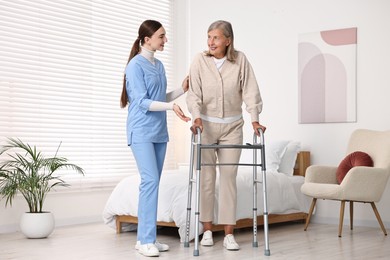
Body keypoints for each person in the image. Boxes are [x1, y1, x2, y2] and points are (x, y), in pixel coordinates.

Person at [186, 20, 266, 251]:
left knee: (229, 179)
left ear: (228, 40)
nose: (211, 42)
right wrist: (196, 117)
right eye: (209, 37)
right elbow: (194, 94)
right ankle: (208, 230)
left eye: (216, 37)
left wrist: (255, 120)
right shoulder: (199, 61)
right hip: (206, 127)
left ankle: (229, 233)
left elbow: (251, 91)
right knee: (206, 178)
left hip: (233, 128)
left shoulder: (240, 60)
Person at [120, 19, 190, 257]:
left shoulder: (158, 66)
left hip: (159, 132)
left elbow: (161, 97)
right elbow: (141, 102)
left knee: (153, 184)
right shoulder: (135, 66)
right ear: (146, 39)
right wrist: (171, 107)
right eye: (161, 36)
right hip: (141, 132)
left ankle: (147, 238)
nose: (165, 40)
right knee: (149, 182)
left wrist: (181, 91)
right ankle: (145, 240)